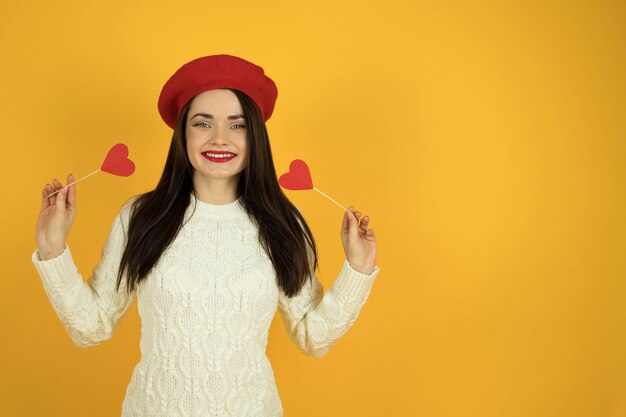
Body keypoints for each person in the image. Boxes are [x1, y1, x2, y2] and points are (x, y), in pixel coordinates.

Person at [32, 54, 380, 417]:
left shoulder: (283, 222)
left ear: (256, 135)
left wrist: (357, 270)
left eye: (237, 125)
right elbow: (91, 327)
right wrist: (52, 248)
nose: (219, 139)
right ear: (183, 133)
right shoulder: (140, 218)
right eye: (202, 123)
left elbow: (313, 337)